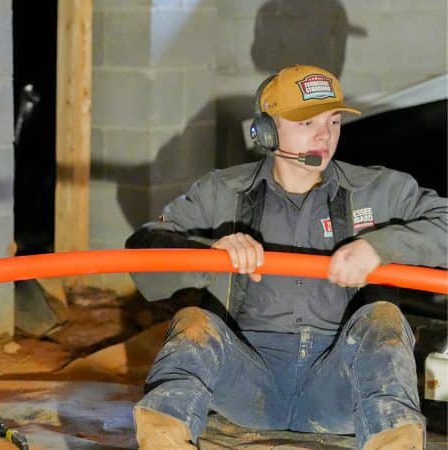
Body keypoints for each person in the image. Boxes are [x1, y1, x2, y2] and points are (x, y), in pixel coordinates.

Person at [125, 64, 446, 449]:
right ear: (266, 130)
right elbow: (144, 252)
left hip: (341, 383)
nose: (324, 136)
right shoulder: (222, 192)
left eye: (333, 121)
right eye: (307, 123)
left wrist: (381, 247)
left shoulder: (379, 191)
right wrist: (206, 254)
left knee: (383, 318)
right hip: (248, 386)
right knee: (194, 323)